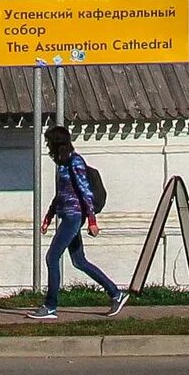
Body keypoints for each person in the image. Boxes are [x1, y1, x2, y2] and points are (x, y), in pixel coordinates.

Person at [33, 124, 126, 321]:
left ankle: (50, 306)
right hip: (66, 216)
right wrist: (48, 217)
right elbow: (61, 194)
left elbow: (85, 192)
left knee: (52, 257)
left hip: (74, 217)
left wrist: (92, 220)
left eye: (49, 142)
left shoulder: (75, 162)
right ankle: (116, 294)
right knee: (79, 261)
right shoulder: (62, 164)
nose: (47, 145)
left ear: (57, 144)